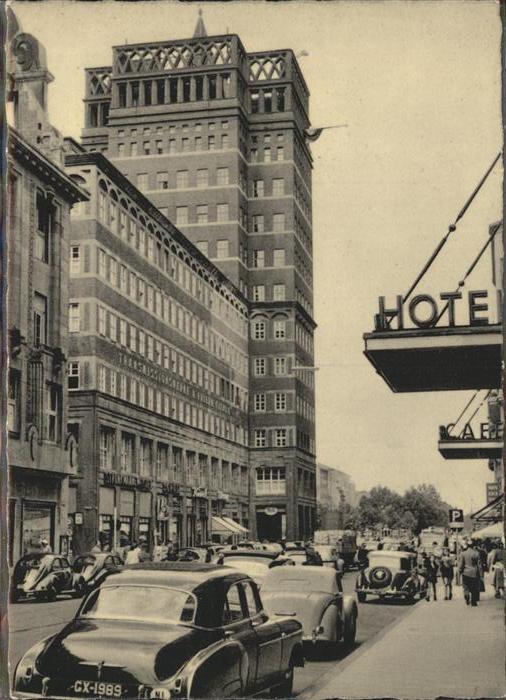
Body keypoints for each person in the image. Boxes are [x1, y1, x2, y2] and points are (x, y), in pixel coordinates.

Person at [458, 540, 482, 606]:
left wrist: (459, 572)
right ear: (473, 546)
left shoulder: (463, 553)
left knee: (466, 587)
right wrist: (481, 574)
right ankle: (473, 602)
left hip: (465, 573)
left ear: (467, 546)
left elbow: (461, 565)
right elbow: (479, 565)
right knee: (474, 588)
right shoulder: (476, 553)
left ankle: (467, 595)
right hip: (474, 573)